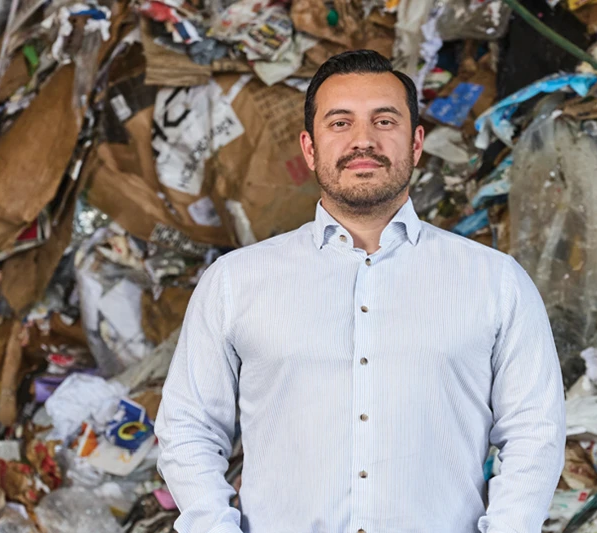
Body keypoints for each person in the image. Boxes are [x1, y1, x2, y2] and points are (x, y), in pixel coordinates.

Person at [155, 49, 565, 533]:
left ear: (416, 144)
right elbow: (189, 428)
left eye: (384, 121)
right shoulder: (235, 282)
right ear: (310, 148)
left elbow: (534, 433)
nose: (363, 140)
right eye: (340, 123)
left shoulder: (496, 282)